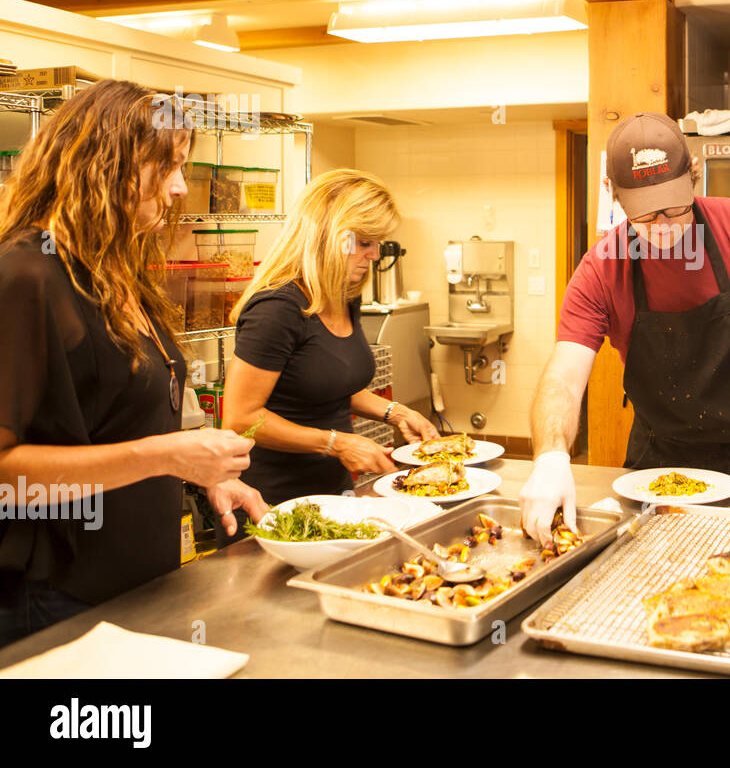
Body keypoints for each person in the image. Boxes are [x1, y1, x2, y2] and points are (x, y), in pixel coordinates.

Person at [0, 80, 266, 647]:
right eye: (165, 167)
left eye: (183, 169)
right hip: (56, 596)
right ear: (105, 163)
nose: (177, 189)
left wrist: (193, 472)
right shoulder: (27, 276)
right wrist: (167, 455)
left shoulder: (111, 270)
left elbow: (124, 426)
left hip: (136, 582)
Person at [519, 112, 730, 541]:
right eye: (645, 216)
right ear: (613, 195)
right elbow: (563, 381)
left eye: (674, 208)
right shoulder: (602, 270)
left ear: (694, 175)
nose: (664, 226)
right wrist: (551, 455)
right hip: (657, 472)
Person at [222, 169, 437, 509]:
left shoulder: (344, 296)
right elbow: (240, 419)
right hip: (270, 499)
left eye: (376, 243)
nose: (375, 255)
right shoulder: (277, 308)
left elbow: (329, 382)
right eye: (365, 243)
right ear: (328, 236)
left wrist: (396, 413)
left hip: (331, 489)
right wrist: (337, 444)